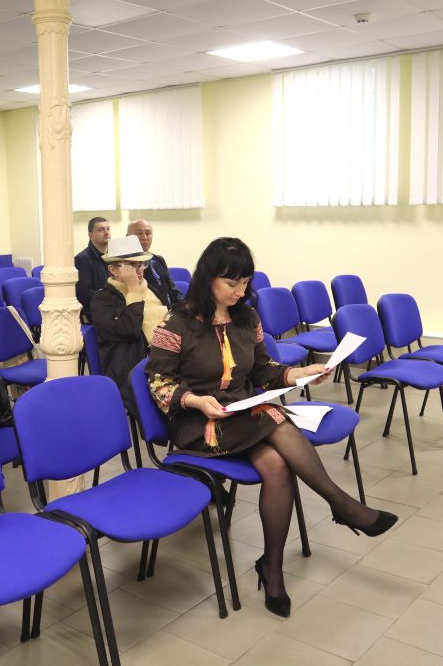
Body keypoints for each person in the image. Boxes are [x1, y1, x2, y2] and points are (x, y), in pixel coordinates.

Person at [146, 237, 397, 618]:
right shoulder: (177, 321)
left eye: (245, 282)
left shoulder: (246, 318)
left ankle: (272, 568)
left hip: (244, 415)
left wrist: (300, 373)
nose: (240, 291)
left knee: (277, 465)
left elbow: (264, 370)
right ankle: (342, 504)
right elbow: (159, 383)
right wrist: (196, 400)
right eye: (232, 283)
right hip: (199, 421)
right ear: (208, 278)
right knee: (274, 416)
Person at [90, 235, 168, 414]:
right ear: (113, 269)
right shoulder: (103, 300)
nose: (138, 271)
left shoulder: (152, 290)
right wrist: (133, 290)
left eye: (141, 264)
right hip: (134, 370)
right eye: (131, 266)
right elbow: (129, 329)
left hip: (166, 361)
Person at [126, 219, 184, 308]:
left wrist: (183, 308)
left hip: (170, 311)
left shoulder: (158, 259)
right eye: (139, 233)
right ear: (128, 237)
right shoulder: (124, 264)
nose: (144, 237)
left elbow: (173, 290)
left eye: (148, 233)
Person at [74, 217, 112, 322]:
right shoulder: (81, 259)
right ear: (90, 235)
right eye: (101, 230)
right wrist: (110, 298)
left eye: (108, 229)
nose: (106, 233)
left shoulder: (113, 256)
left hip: (112, 307)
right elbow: (83, 293)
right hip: (95, 312)